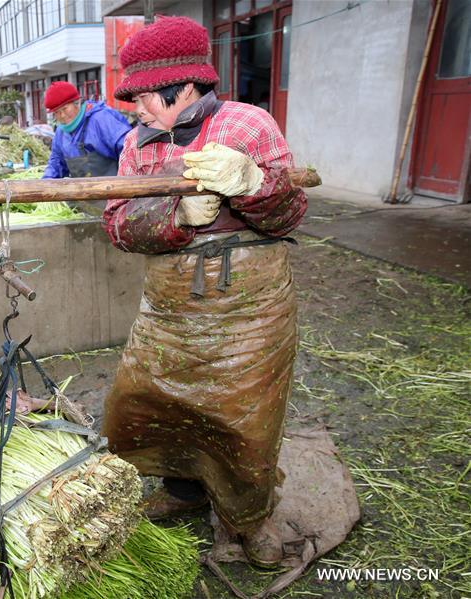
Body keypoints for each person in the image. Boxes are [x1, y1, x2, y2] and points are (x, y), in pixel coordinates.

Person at [100, 16, 307, 569]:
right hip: (169, 305)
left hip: (250, 306)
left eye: (143, 97)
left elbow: (291, 213)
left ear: (185, 86)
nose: (135, 109)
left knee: (246, 419)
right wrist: (175, 214)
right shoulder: (134, 147)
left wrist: (256, 185)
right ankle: (185, 489)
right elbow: (117, 225)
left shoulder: (248, 127)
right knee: (151, 402)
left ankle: (248, 519)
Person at [41, 80, 131, 179]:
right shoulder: (60, 133)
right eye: (57, 112)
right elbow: (55, 165)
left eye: (65, 109)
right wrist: (44, 184)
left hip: (116, 189)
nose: (62, 115)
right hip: (84, 192)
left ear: (77, 103)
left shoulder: (101, 119)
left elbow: (129, 152)